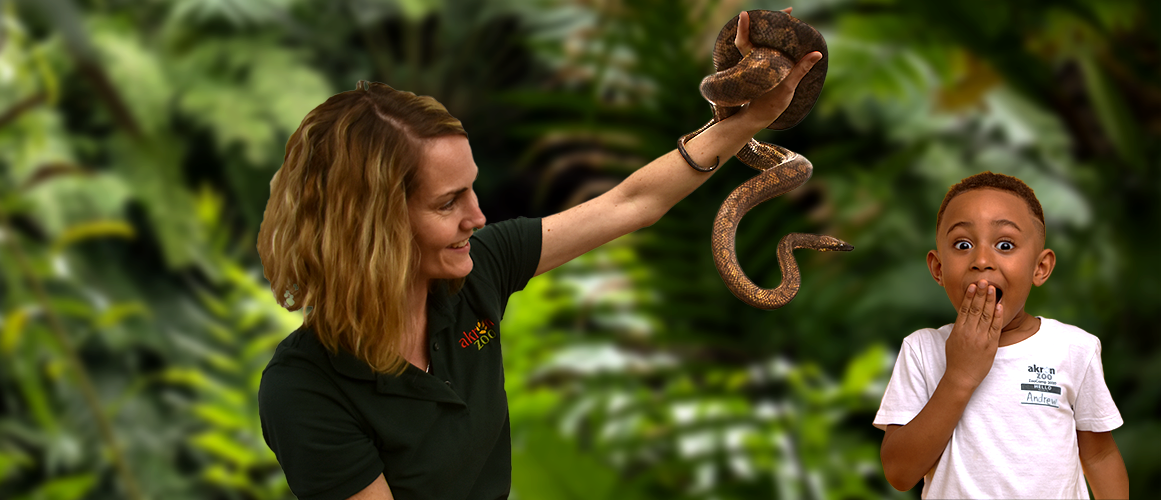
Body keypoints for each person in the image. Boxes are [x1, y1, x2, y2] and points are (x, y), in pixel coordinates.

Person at [253, 11, 822, 499]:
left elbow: (633, 203)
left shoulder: (475, 273)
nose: (477, 218)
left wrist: (746, 121)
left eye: (472, 189)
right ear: (369, 225)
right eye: (448, 202)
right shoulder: (306, 389)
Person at [874, 172, 1128, 499]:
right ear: (938, 268)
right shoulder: (922, 350)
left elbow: (1099, 454)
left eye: (1005, 245)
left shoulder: (1074, 348)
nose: (982, 261)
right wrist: (960, 375)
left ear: (1040, 267)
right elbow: (899, 473)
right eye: (963, 244)